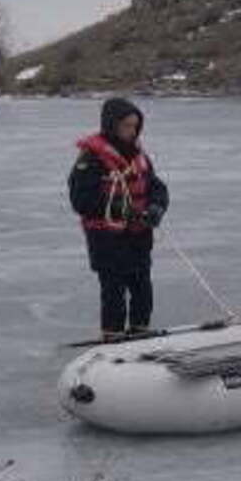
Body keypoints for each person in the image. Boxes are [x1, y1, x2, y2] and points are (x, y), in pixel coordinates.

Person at [68, 97, 170, 341]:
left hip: (139, 235)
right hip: (107, 239)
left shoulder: (139, 156)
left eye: (135, 126)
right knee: (113, 290)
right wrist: (122, 209)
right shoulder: (90, 159)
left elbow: (156, 186)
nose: (132, 131)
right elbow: (81, 200)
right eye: (127, 126)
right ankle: (113, 336)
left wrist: (156, 207)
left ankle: (140, 331)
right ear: (112, 125)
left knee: (142, 287)